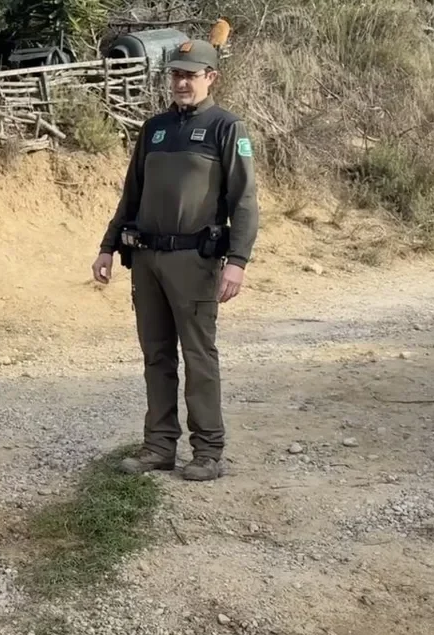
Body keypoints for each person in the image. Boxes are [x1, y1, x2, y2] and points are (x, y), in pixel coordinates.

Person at [91, 33, 259, 482]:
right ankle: (159, 446)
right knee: (156, 355)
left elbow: (243, 202)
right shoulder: (155, 129)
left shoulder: (226, 128)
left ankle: (207, 451)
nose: (181, 83)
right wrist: (108, 246)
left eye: (190, 75)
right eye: (176, 75)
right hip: (147, 261)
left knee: (199, 356)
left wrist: (237, 260)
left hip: (195, 262)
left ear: (211, 78)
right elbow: (132, 195)